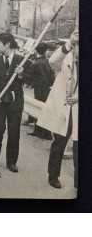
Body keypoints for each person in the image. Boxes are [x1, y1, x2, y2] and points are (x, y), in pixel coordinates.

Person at [37, 29, 79, 189]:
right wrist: (69, 43)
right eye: (76, 45)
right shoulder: (66, 56)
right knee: (59, 143)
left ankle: (78, 181)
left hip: (79, 108)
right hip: (64, 108)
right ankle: (53, 175)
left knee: (78, 146)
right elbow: (52, 62)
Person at [0, 32, 26, 172]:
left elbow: (32, 80)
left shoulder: (22, 60)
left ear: (7, 44)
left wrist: (21, 74)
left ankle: (12, 161)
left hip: (15, 101)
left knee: (14, 132)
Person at [27, 43, 54, 140]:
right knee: (45, 109)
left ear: (36, 51)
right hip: (47, 88)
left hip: (39, 89)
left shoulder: (35, 63)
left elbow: (29, 77)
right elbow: (52, 76)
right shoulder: (47, 62)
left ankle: (42, 132)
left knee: (38, 109)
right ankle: (42, 131)